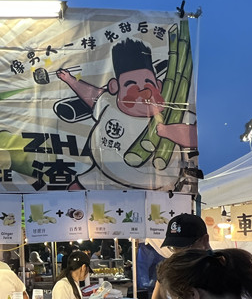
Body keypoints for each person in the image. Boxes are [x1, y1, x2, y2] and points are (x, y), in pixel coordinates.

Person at [57, 38, 198, 191]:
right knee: (73, 190)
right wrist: (70, 80)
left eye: (148, 83)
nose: (142, 91)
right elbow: (92, 94)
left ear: (159, 85)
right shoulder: (109, 104)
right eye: (131, 84)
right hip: (103, 177)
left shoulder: (173, 113)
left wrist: (168, 131)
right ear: (114, 86)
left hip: (153, 189)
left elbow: (193, 137)